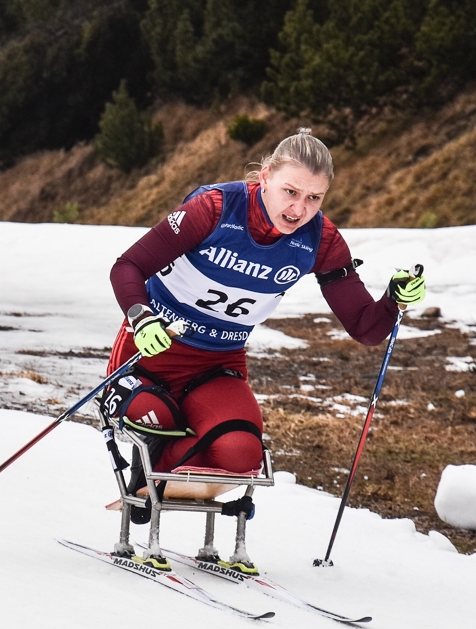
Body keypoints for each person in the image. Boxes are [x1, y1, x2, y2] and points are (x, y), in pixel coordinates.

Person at [101, 128, 425, 525]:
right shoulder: (214, 209)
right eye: (291, 191)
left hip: (216, 366)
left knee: (241, 454)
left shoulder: (320, 240)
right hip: (151, 354)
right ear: (265, 176)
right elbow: (128, 266)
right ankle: (150, 454)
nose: (298, 209)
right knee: (156, 417)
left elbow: (365, 328)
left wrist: (393, 299)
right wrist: (141, 316)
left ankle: (152, 477)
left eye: (314, 198)